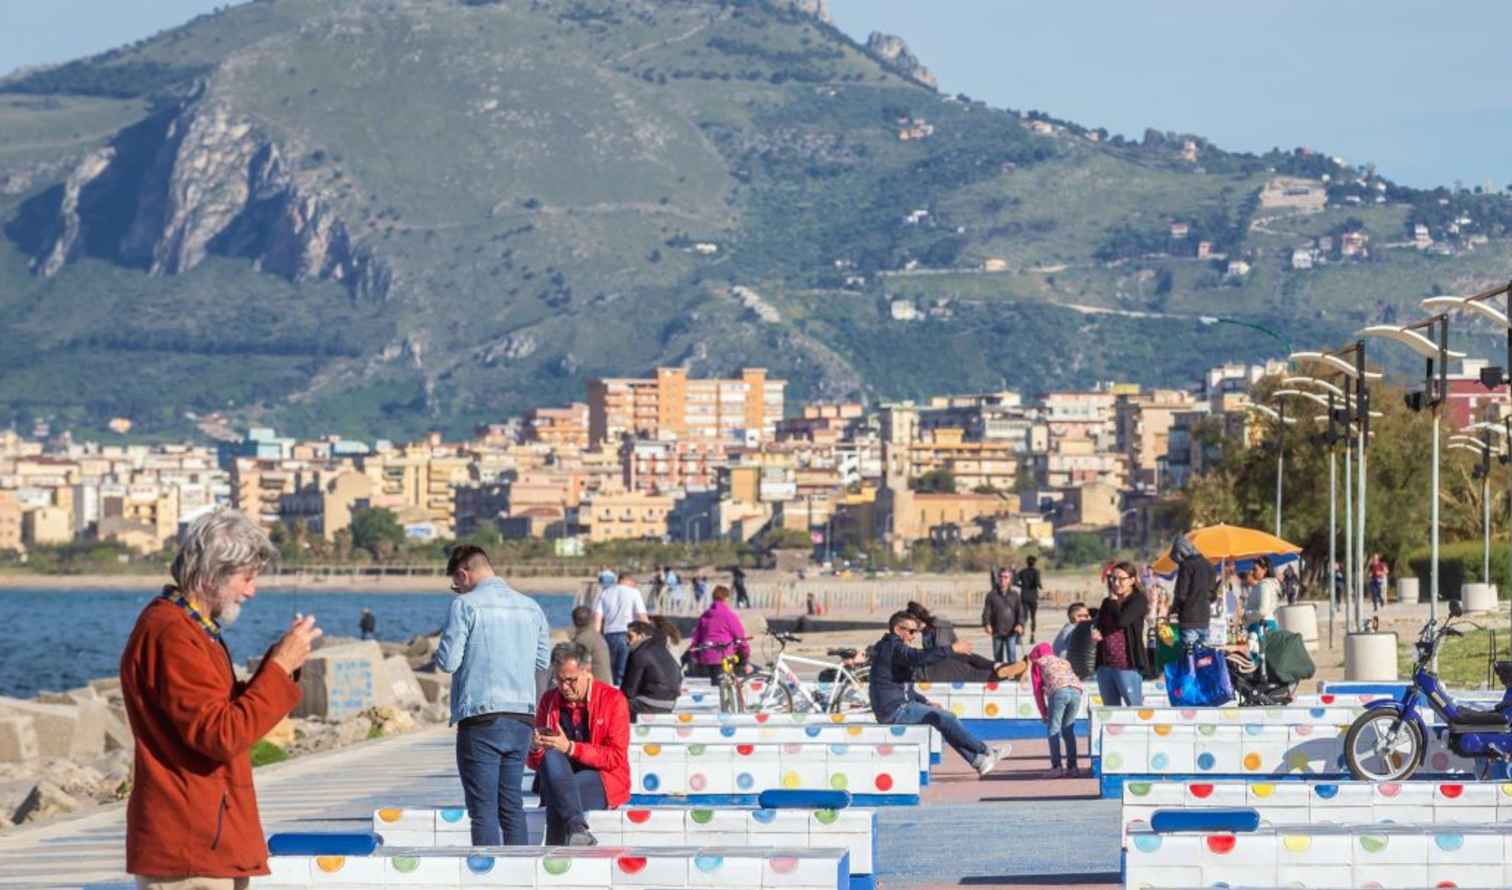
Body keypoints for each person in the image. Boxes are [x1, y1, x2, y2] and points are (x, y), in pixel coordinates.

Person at [121, 509, 322, 889]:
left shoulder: (189, 629)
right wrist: (278, 669)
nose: (251, 591)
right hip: (189, 848)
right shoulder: (172, 635)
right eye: (246, 578)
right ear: (212, 573)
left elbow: (222, 717)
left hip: (207, 838)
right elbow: (221, 735)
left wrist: (281, 665)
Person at [435, 544, 550, 846]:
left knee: (483, 810)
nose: (457, 591)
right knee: (511, 806)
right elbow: (542, 662)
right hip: (522, 717)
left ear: (464, 573)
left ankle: (489, 877)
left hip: (481, 716)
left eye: (456, 585)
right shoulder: (531, 606)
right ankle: (519, 875)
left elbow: (448, 662)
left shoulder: (466, 606)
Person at [870, 610, 1008, 777]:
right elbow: (918, 658)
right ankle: (985, 751)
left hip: (897, 707)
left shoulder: (892, 648)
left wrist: (925, 701)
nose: (914, 636)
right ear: (898, 630)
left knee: (941, 718)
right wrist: (952, 649)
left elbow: (906, 689)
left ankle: (979, 761)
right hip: (894, 710)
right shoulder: (893, 647)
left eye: (916, 632)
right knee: (945, 718)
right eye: (911, 632)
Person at [527, 642, 631, 846]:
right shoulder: (549, 700)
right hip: (560, 775)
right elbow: (535, 763)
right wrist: (535, 747)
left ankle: (555, 854)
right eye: (559, 680)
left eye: (571, 680)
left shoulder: (613, 699)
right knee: (551, 758)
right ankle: (577, 829)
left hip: (603, 777)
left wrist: (571, 748)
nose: (564, 687)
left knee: (559, 795)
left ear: (587, 671)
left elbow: (615, 757)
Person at [1093, 561, 1151, 706]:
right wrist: (1095, 631)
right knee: (1109, 709)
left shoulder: (1138, 600)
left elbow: (1122, 621)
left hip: (1126, 664)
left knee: (1134, 707)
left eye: (1121, 579)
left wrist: (1113, 602)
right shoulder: (1107, 602)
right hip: (1105, 664)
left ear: (1132, 580)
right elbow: (1098, 623)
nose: (1116, 583)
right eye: (1113, 578)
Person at [1029, 642, 1084, 777]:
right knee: (1068, 729)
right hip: (1076, 692)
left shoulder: (1038, 663)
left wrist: (1044, 712)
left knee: (1053, 729)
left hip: (1059, 692)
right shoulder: (1063, 661)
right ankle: (1073, 767)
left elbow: (1037, 690)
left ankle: (1056, 767)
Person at [622, 617, 683, 720]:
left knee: (611, 705)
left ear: (642, 636)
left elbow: (629, 691)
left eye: (630, 636)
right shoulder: (663, 650)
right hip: (670, 704)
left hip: (648, 704)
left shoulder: (639, 653)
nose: (627, 641)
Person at [595, 572, 648, 686]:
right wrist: (650, 633)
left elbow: (598, 616)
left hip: (608, 635)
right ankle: (623, 699)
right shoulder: (634, 592)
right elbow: (641, 615)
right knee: (624, 671)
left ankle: (614, 695)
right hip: (627, 635)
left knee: (611, 671)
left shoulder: (605, 592)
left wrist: (597, 636)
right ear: (630, 581)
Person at [688, 585, 751, 680]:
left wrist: (697, 657)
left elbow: (696, 640)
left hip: (705, 659)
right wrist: (745, 655)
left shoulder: (705, 615)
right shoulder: (729, 615)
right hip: (724, 658)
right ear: (726, 598)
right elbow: (740, 638)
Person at [1168, 533, 1216, 646]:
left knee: (1189, 658)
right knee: (1204, 658)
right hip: (1205, 618)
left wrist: (1173, 609)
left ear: (1181, 552)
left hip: (1188, 619)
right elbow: (1212, 595)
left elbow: (1181, 594)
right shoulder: (1209, 565)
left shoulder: (1186, 566)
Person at [570, 606, 614, 685]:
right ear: (591, 620)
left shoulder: (582, 639)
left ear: (574, 621)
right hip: (605, 682)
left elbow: (573, 664)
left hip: (596, 685)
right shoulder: (596, 636)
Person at [1242, 556, 1282, 634]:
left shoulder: (1265, 585)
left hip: (1261, 626)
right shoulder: (1270, 584)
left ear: (1265, 570)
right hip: (1265, 624)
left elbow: (1263, 611)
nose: (1252, 572)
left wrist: (1246, 614)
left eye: (1255, 569)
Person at [1018, 556, 1043, 641]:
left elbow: (1014, 581)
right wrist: (1041, 586)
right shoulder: (1036, 572)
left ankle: (1021, 634)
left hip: (1024, 596)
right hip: (1033, 597)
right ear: (1034, 562)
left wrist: (1021, 585)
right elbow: (1037, 583)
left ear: (1027, 562)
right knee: (1033, 617)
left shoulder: (1022, 572)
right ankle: (1032, 635)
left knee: (1024, 617)